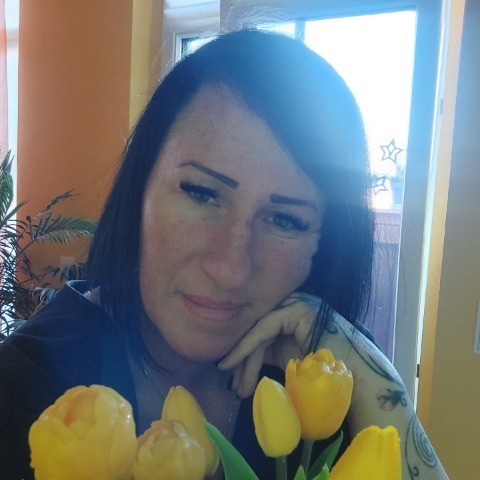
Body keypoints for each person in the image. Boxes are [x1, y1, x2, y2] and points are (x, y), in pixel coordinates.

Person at [0, 29, 447, 479]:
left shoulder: (326, 374)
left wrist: (381, 387)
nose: (230, 269)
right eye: (201, 193)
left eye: (284, 220)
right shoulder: (23, 388)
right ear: (141, 188)